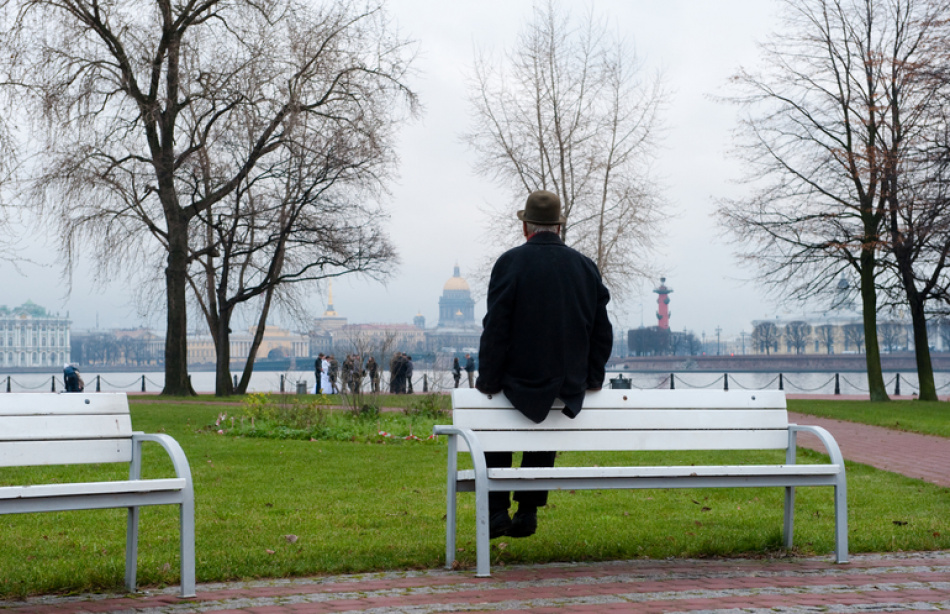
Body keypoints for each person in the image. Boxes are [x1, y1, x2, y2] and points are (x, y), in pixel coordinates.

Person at [476, 189, 613, 540]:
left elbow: (497, 327)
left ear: (526, 228)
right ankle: (528, 509)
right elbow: (602, 331)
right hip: (566, 385)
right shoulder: (585, 267)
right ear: (559, 227)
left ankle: (496, 510)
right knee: (549, 407)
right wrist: (592, 377)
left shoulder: (510, 263)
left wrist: (488, 380)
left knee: (498, 416)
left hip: (518, 379)